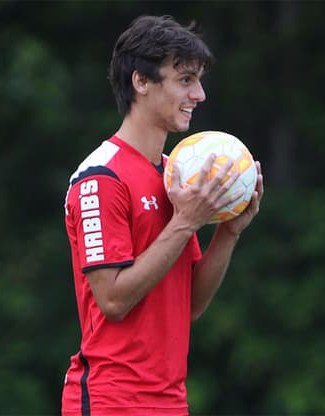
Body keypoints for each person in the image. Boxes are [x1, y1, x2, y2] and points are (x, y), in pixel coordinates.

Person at [61, 14, 263, 416]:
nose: (200, 94)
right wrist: (186, 220)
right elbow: (113, 300)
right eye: (185, 80)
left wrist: (228, 232)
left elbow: (190, 306)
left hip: (169, 401)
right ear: (141, 82)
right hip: (111, 400)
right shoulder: (100, 178)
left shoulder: (174, 173)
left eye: (198, 80)